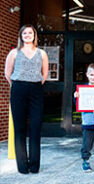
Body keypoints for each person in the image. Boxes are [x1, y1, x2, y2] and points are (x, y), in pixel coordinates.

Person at [4, 24, 49, 174]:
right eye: (25, 33)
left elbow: (44, 74)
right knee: (20, 128)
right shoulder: (14, 53)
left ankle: (34, 165)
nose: (28, 35)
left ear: (34, 35)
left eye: (30, 33)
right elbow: (7, 73)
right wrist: (18, 85)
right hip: (18, 90)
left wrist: (33, 85)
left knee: (35, 127)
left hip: (36, 89)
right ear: (21, 36)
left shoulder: (41, 53)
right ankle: (23, 166)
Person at [73, 63, 94, 173]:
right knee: (86, 144)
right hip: (88, 122)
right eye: (91, 75)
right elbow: (79, 105)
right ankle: (85, 161)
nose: (93, 77)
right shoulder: (83, 89)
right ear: (87, 75)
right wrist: (76, 98)